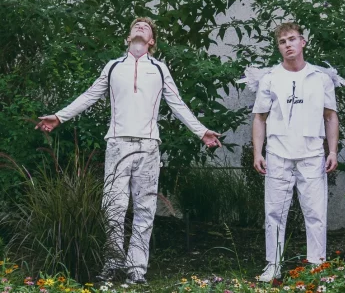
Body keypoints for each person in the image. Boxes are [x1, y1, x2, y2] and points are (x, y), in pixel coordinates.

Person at [35, 17, 222, 285]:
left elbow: (177, 104)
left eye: (146, 27)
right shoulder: (113, 67)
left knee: (145, 209)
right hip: (117, 144)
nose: (140, 28)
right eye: (136, 26)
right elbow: (89, 95)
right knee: (113, 207)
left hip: (148, 147)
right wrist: (59, 117)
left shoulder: (159, 69)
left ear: (152, 41)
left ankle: (137, 271)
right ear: (128, 37)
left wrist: (201, 131)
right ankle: (112, 265)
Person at [249, 22, 343, 282]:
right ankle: (273, 265)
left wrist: (332, 150)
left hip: (312, 153)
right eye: (282, 42)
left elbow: (330, 116)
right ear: (279, 48)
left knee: (315, 212)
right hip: (278, 153)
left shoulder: (321, 78)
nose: (288, 45)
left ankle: (316, 266)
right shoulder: (270, 78)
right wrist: (258, 152)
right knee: (274, 213)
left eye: (292, 39)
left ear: (303, 42)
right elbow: (259, 117)